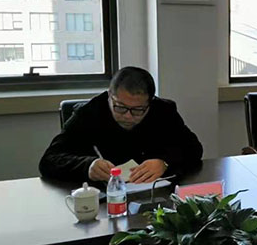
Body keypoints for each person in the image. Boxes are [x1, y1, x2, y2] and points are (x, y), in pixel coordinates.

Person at [39, 66, 202, 183]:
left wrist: (164, 162)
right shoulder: (88, 113)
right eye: (120, 107)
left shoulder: (163, 111)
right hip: (104, 200)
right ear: (110, 96)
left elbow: (194, 149)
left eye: (138, 110)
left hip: (154, 195)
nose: (128, 116)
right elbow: (49, 160)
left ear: (150, 102)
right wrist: (87, 165)